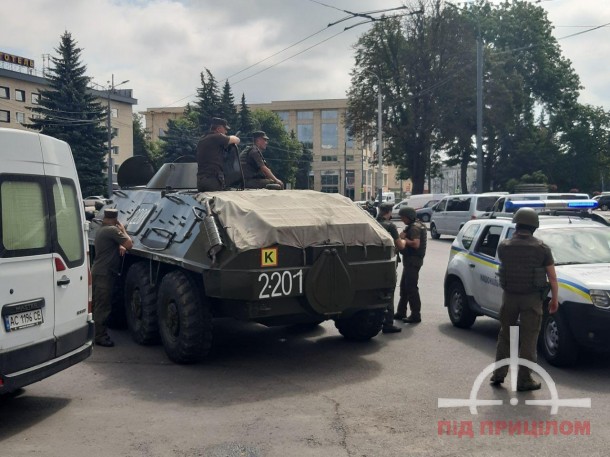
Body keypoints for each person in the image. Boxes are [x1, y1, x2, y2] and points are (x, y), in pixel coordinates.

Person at [490, 207, 559, 391]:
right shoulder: (543, 249)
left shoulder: (504, 246)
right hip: (532, 299)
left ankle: (498, 374)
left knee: (506, 334)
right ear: (534, 227)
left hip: (509, 298)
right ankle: (524, 379)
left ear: (517, 225)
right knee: (529, 338)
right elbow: (552, 277)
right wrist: (554, 300)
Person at [91, 209, 133, 347]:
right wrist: (123, 230)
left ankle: (94, 333)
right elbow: (129, 244)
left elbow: (113, 245)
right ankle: (101, 337)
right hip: (105, 274)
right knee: (103, 307)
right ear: (115, 220)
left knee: (97, 304)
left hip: (98, 271)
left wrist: (119, 244)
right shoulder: (112, 231)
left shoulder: (102, 230)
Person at [376, 203, 407, 333]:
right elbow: (400, 246)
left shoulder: (372, 222)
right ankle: (388, 323)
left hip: (371, 262)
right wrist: (403, 239)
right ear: (389, 212)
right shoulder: (390, 226)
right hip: (387, 263)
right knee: (389, 292)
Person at [395, 206, 427, 323]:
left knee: (411, 288)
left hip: (413, 261)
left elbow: (416, 244)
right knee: (404, 286)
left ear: (409, 217)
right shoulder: (415, 225)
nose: (402, 220)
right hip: (410, 261)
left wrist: (403, 240)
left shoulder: (414, 228)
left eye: (403, 217)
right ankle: (401, 312)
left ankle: (415, 314)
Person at [196, 117, 240, 192]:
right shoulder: (217, 137)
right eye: (225, 129)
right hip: (213, 181)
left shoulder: (202, 139)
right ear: (219, 129)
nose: (226, 131)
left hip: (201, 181)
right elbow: (236, 140)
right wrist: (234, 137)